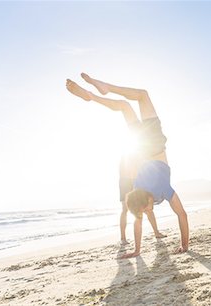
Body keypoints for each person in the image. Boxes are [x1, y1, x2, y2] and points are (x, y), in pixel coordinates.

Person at [66, 73, 167, 245]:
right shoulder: (154, 189)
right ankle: (96, 94)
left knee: (133, 100)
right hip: (147, 147)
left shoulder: (157, 188)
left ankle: (97, 93)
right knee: (129, 104)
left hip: (150, 145)